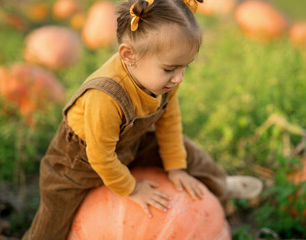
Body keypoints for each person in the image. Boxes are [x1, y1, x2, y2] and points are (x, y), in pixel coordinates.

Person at [23, 0, 262, 239]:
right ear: (128, 55)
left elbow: (169, 122)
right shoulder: (104, 97)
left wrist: (176, 168)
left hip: (128, 145)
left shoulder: (166, 81)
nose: (178, 78)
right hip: (78, 164)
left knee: (188, 153)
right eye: (170, 69)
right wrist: (132, 189)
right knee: (52, 221)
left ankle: (220, 183)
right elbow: (100, 156)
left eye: (184, 67)